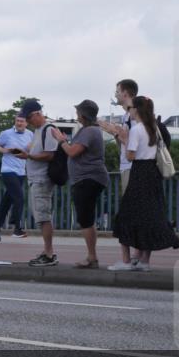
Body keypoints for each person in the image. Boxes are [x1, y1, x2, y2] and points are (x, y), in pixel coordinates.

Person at [108, 96, 179, 271]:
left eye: (131, 108)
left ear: (138, 110)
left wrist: (123, 139)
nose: (129, 111)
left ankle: (126, 261)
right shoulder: (154, 128)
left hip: (139, 172)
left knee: (126, 215)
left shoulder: (137, 129)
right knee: (149, 215)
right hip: (153, 173)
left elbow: (130, 155)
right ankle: (144, 261)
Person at [51, 100, 108, 268]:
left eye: (78, 113)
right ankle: (92, 256)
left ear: (83, 115)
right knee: (86, 218)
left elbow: (72, 152)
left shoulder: (90, 131)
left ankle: (92, 257)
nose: (76, 115)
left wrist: (61, 140)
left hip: (88, 178)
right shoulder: (90, 130)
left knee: (85, 219)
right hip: (88, 178)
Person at [18, 99, 59, 266]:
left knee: (43, 217)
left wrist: (28, 156)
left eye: (28, 118)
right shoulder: (38, 131)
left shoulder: (48, 130)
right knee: (40, 217)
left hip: (42, 178)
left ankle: (49, 253)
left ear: (37, 113)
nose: (27, 122)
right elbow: (31, 148)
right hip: (35, 179)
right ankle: (46, 250)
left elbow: (50, 155)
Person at [0, 115, 32, 241]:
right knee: (19, 197)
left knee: (6, 201)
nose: (19, 123)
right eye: (17, 121)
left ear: (26, 123)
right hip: (8, 171)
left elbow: (31, 149)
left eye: (22, 121)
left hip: (21, 172)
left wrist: (29, 152)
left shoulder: (30, 134)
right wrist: (4, 150)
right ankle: (17, 227)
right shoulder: (7, 133)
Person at [98, 79, 138, 194]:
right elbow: (124, 145)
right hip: (127, 166)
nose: (115, 95)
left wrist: (115, 133)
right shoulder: (127, 116)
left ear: (125, 93)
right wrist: (115, 134)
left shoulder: (134, 115)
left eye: (117, 92)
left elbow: (135, 145)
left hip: (132, 167)